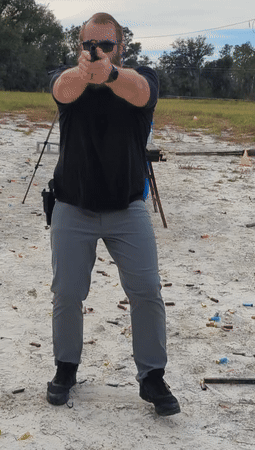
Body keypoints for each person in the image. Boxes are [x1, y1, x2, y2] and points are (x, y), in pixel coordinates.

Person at [46, 12, 180, 416]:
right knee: (67, 293)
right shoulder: (69, 77)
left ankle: (152, 377)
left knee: (147, 293)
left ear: (121, 48)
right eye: (90, 44)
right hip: (72, 204)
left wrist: (111, 74)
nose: (98, 51)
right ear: (79, 47)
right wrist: (86, 72)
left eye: (106, 45)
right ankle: (65, 369)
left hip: (127, 208)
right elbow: (61, 90)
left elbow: (141, 93)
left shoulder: (143, 76)